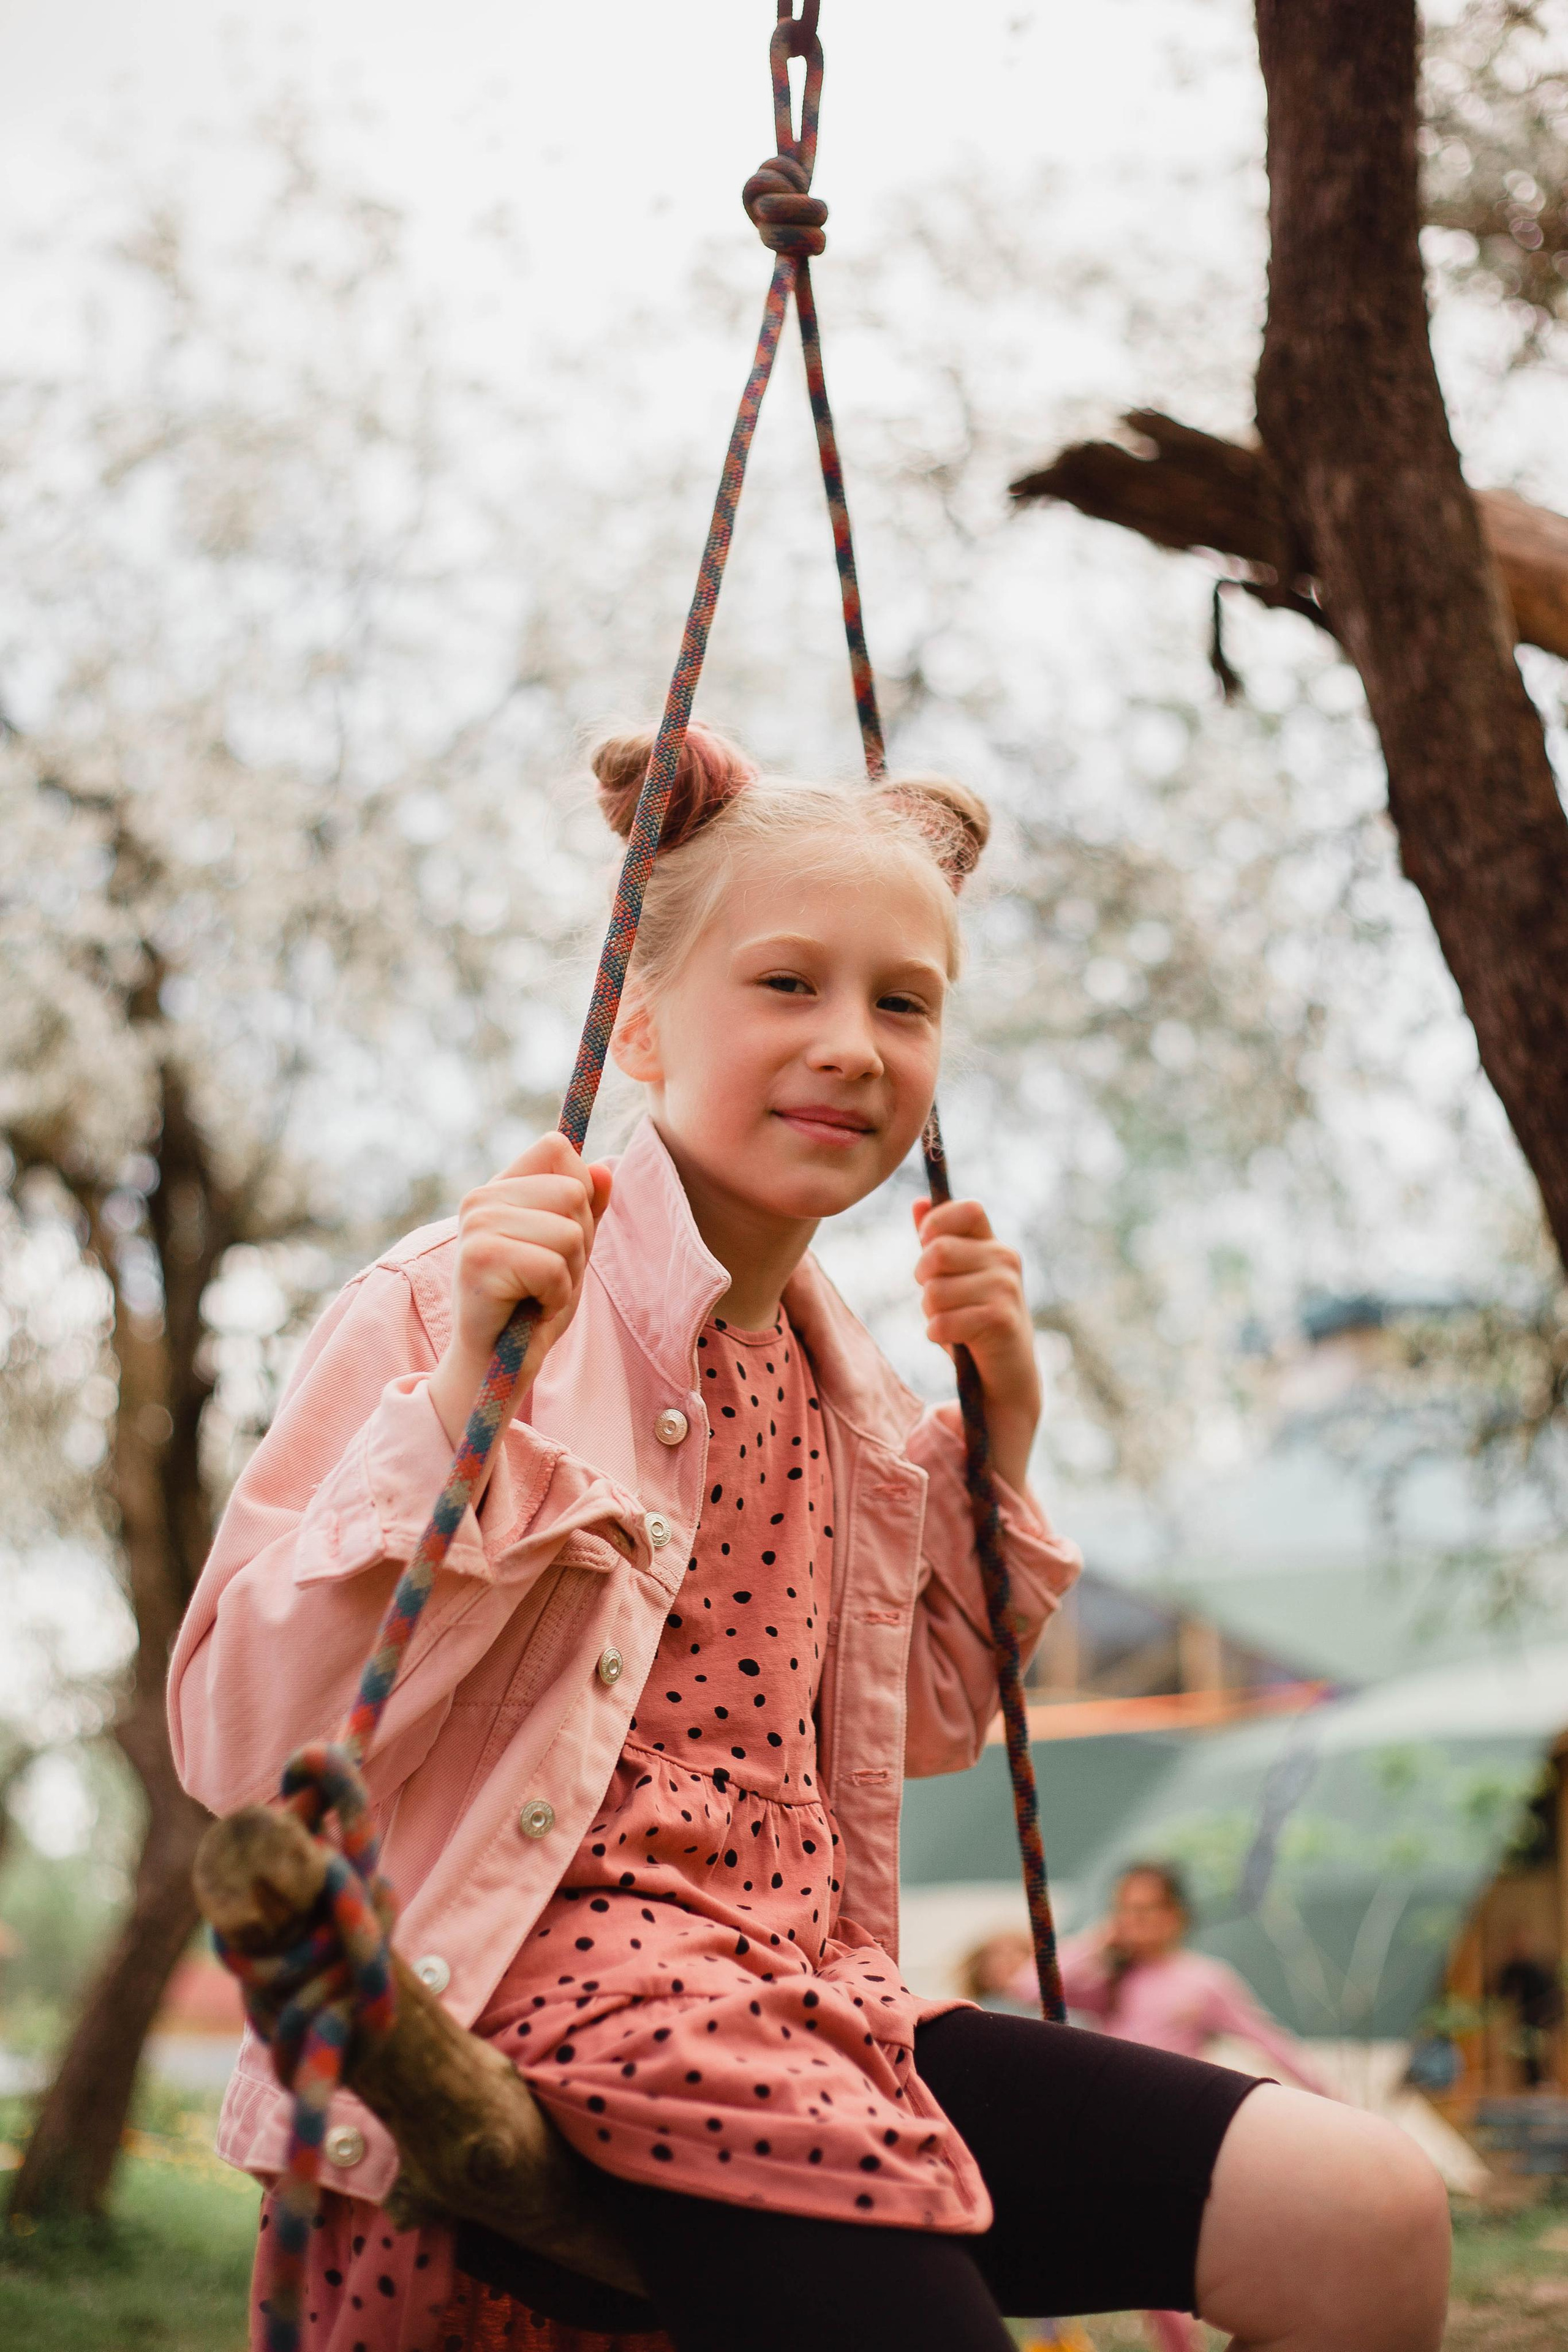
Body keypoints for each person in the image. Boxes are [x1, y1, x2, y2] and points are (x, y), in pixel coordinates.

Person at [170, 727, 1450, 2352]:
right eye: (788, 984)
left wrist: (1000, 1451)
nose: (852, 1042)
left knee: (1365, 2215)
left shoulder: (846, 1397)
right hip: (558, 2003)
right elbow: (243, 1741)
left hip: (818, 2009)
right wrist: (450, 1407)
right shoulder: (460, 1302)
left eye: (903, 1001)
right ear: (637, 1022)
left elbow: (919, 1725)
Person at [1011, 1864, 1335, 2352]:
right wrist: (1101, 1940)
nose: (1132, 1921)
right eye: (1123, 1910)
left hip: (1183, 2137)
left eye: (1144, 1910)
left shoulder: (1203, 1981)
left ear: (1175, 1916)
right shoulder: (1109, 1981)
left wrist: (1337, 2104)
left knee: (1198, 2260)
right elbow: (1028, 1987)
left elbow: (1269, 2042)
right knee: (1152, 2274)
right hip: (1117, 2140)